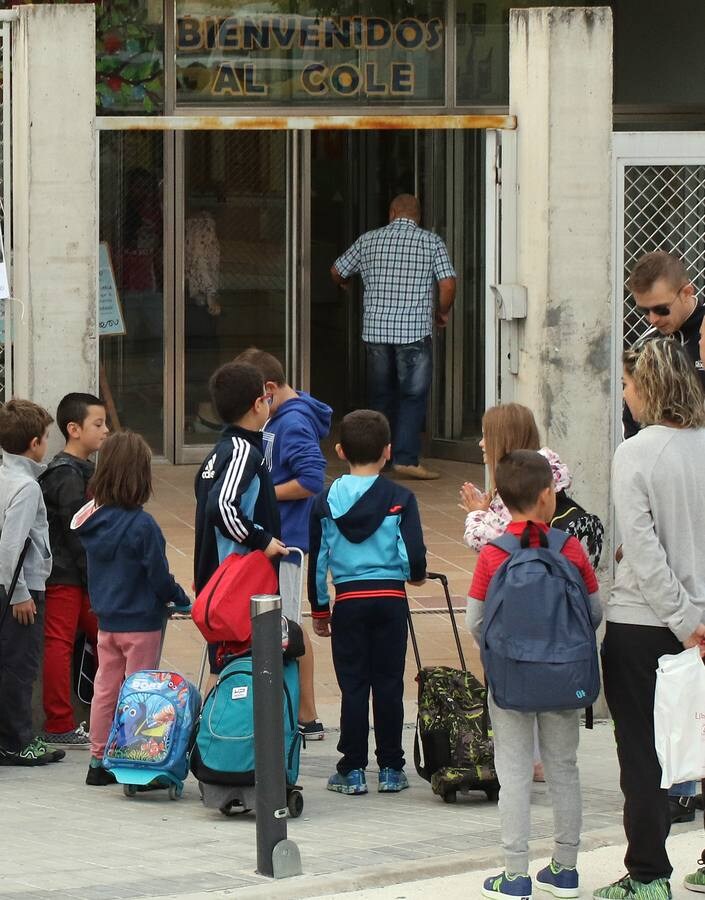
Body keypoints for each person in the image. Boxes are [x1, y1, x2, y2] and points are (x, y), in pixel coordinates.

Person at [595, 338, 705, 899]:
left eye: (631, 384)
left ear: (651, 387)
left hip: (645, 624)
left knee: (641, 751)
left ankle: (648, 874)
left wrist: (683, 619)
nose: (626, 393)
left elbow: (642, 549)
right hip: (700, 627)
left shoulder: (636, 452)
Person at [466, 450, 602, 900]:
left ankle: (515, 874)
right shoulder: (571, 548)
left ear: (502, 497)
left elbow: (475, 621)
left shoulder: (493, 554)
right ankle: (565, 868)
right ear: (548, 496)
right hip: (564, 678)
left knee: (514, 773)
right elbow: (594, 611)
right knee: (564, 768)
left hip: (511, 679)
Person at [193, 361, 320, 726]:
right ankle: (231, 741)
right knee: (238, 664)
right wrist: (262, 540)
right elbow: (222, 506)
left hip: (221, 579)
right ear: (258, 403)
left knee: (229, 663)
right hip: (235, 583)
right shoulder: (241, 451)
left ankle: (228, 740)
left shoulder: (222, 451)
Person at [308, 409, 426, 795]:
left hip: (350, 602)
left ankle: (353, 769)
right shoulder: (400, 497)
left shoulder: (325, 501)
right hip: (390, 599)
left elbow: (318, 559)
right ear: (388, 451)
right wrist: (414, 574)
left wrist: (321, 609)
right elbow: (413, 554)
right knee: (389, 683)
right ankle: (392, 768)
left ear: (340, 450)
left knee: (354, 685)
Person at [71, 431, 191, 787]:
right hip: (142, 622)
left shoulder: (91, 523)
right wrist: (180, 598)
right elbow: (158, 576)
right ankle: (135, 761)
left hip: (107, 621)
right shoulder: (143, 525)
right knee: (141, 693)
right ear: (141, 476)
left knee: (106, 687)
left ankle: (98, 760)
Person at [234, 347, 331, 741]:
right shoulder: (282, 418)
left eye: (255, 401)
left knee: (289, 627)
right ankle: (298, 709)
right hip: (274, 538)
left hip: (289, 544)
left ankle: (305, 713)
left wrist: (264, 495)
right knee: (280, 624)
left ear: (269, 390)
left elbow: (312, 480)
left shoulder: (294, 423)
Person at [331, 193, 456, 481]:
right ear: (418, 216)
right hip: (413, 332)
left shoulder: (369, 240)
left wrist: (346, 283)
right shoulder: (431, 242)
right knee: (412, 396)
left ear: (391, 212)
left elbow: (336, 270)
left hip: (376, 332)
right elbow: (448, 283)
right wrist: (442, 312)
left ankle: (377, 458)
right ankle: (407, 459)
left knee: (380, 396)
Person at [41, 393, 109, 749]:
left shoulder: (82, 470)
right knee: (60, 644)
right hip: (66, 578)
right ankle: (59, 723)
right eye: (98, 424)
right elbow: (77, 533)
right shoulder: (66, 474)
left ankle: (109, 714)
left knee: (106, 640)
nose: (105, 431)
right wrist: (95, 578)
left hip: (81, 578)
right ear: (74, 429)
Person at [460, 403, 603, 570]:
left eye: (486, 436)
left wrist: (476, 514)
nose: (481, 443)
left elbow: (493, 543)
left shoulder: (517, 482)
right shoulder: (544, 473)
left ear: (504, 439)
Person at [0, 399, 64, 766]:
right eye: (45, 437)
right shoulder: (26, 487)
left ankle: (10, 737)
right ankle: (18, 741)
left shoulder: (6, 475)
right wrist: (21, 594)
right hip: (18, 592)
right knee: (20, 665)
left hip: (7, 587)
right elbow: (12, 546)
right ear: (35, 443)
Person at [623, 250, 705, 439]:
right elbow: (632, 421)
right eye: (644, 310)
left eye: (661, 309)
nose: (653, 319)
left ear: (686, 292)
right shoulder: (644, 348)